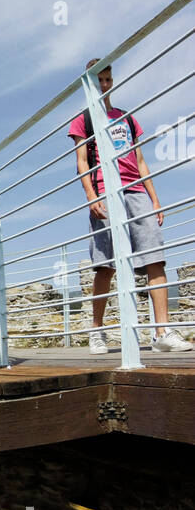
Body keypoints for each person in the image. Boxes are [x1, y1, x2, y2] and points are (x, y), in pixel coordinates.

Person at [69, 60, 191, 353]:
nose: (104, 84)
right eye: (98, 80)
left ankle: (163, 332)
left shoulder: (126, 118)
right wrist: (91, 195)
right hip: (104, 194)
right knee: (105, 265)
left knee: (155, 258)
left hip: (136, 192)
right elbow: (82, 161)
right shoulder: (82, 120)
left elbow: (140, 161)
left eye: (108, 78)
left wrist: (155, 199)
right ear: (88, 83)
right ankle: (97, 332)